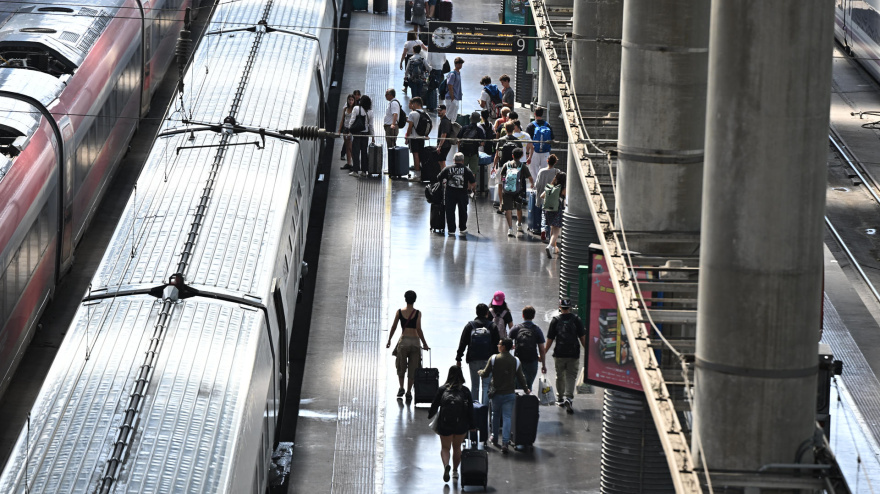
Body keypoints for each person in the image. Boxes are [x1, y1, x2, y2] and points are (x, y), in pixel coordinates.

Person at [478, 338, 530, 454]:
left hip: (496, 394)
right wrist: (526, 389)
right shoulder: (516, 361)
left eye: (499, 344)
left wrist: (480, 372)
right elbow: (521, 378)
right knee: (507, 417)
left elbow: (485, 373)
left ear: (504, 347)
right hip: (509, 394)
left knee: (495, 415)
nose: (498, 345)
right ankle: (505, 442)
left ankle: (494, 437)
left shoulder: (494, 359)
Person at [428, 366, 475, 483]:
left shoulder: (442, 389)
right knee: (457, 447)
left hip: (445, 424)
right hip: (461, 424)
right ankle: (455, 471)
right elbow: (470, 410)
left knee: (445, 448)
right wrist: (473, 425)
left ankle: (446, 467)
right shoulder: (465, 391)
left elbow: (434, 405)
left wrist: (430, 415)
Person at [544, 299, 586, 414]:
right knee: (571, 376)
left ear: (560, 307)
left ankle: (560, 398)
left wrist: (543, 353)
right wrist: (588, 353)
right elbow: (582, 338)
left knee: (560, 375)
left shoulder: (555, 320)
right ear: (570, 307)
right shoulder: (577, 320)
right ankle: (569, 397)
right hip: (573, 353)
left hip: (559, 353)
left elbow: (550, 339)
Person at [386, 290, 431, 401]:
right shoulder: (418, 313)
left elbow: (394, 327)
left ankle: (401, 387)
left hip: (404, 342)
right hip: (415, 343)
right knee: (413, 368)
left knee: (401, 366)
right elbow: (419, 329)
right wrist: (424, 344)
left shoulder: (399, 312)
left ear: (405, 299)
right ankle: (409, 392)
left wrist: (389, 340)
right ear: (415, 300)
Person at [455, 303, 501, 404]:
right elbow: (497, 344)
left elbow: (463, 342)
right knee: (486, 385)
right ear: (487, 313)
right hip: (488, 360)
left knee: (475, 385)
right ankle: (484, 409)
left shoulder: (470, 326)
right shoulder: (492, 326)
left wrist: (458, 358)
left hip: (473, 358)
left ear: (476, 312)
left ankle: (475, 409)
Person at [508, 306, 547, 391]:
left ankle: (518, 402)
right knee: (528, 385)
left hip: (518, 361)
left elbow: (507, 343)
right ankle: (527, 401)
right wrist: (543, 365)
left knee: (518, 385)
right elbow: (542, 349)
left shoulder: (516, 328)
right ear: (533, 316)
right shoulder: (537, 330)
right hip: (532, 361)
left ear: (523, 315)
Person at [437, 152, 476, 236]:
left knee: (450, 211)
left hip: (450, 193)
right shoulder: (466, 169)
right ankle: (462, 228)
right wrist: (473, 190)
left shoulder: (447, 169)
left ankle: (451, 230)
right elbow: (473, 182)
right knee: (463, 211)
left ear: (453, 160)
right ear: (463, 160)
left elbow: (439, 177)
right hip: (462, 193)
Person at [500, 148, 535, 236]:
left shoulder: (506, 164)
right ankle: (519, 225)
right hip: (518, 190)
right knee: (519, 208)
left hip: (507, 190)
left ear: (512, 155)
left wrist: (504, 182)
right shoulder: (523, 166)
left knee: (508, 209)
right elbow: (530, 178)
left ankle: (510, 229)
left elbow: (502, 176)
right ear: (522, 156)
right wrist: (532, 184)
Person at [493, 121, 523, 212]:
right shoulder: (517, 141)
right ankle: (511, 204)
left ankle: (501, 205)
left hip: (502, 167)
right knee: (513, 184)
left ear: (505, 129)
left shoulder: (501, 140)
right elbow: (520, 154)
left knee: (501, 185)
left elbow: (497, 155)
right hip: (513, 168)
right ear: (514, 129)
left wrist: (494, 166)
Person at [347, 95, 375, 177]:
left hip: (357, 133)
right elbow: (371, 126)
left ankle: (355, 170)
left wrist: (349, 130)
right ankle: (364, 171)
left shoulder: (356, 108)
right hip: (365, 134)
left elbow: (352, 120)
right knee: (364, 152)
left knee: (356, 152)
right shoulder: (370, 112)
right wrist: (373, 136)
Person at [534, 154, 561, 241]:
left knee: (544, 216)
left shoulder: (541, 171)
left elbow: (537, 185)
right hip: (554, 199)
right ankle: (551, 235)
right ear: (555, 162)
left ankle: (543, 230)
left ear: (547, 161)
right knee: (553, 217)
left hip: (543, 198)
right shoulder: (557, 172)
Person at [405, 97, 431, 181]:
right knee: (420, 155)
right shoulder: (426, 114)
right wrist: (426, 134)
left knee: (415, 155)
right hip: (421, 138)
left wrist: (407, 136)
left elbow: (410, 127)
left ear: (416, 104)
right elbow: (431, 125)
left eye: (412, 103)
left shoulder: (413, 114)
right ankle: (422, 173)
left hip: (414, 137)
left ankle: (417, 175)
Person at [541, 172, 566, 258]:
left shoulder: (550, 186)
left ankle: (554, 247)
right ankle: (550, 246)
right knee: (556, 231)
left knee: (552, 227)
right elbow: (566, 196)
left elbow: (542, 196)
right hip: (557, 210)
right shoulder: (562, 188)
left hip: (548, 210)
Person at [526, 107, 554, 180]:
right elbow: (552, 139)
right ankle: (543, 187)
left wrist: (528, 154)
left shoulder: (530, 126)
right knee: (545, 171)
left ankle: (535, 188)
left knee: (533, 171)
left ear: (534, 114)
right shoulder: (547, 125)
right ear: (542, 114)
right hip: (545, 152)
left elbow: (529, 142)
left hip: (534, 152)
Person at [456, 112, 485, 177]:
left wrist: (459, 150)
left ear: (470, 119)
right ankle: (471, 186)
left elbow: (458, 140)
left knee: (461, 171)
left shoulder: (464, 128)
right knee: (472, 173)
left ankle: (463, 185)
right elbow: (482, 143)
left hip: (463, 153)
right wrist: (477, 144)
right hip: (474, 153)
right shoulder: (479, 130)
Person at [338, 94, 356, 169]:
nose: (350, 101)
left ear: (354, 101)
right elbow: (342, 119)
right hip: (345, 129)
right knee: (347, 146)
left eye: (352, 100)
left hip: (350, 130)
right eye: (349, 100)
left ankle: (355, 164)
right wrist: (339, 130)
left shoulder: (355, 109)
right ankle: (349, 163)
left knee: (350, 147)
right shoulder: (345, 109)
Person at [444, 57, 464, 122]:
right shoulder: (452, 74)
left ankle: (452, 130)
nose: (461, 65)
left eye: (461, 63)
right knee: (449, 115)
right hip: (451, 98)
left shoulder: (458, 73)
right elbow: (450, 86)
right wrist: (452, 98)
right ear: (456, 64)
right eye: (459, 63)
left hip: (456, 98)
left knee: (454, 116)